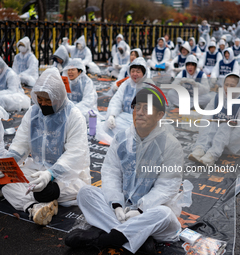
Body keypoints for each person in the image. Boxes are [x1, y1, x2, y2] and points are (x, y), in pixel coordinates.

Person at [65, 88, 193, 254]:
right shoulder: (122, 138)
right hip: (122, 208)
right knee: (85, 193)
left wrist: (140, 210)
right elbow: (111, 172)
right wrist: (117, 204)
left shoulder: (170, 145)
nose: (139, 113)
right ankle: (137, 239)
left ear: (160, 115)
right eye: (137, 107)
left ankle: (104, 239)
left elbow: (167, 186)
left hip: (149, 212)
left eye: (146, 109)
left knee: (164, 214)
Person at [0, 68, 91, 225]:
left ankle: (31, 198)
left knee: (46, 191)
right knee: (2, 180)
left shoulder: (73, 116)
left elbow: (74, 154)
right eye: (40, 99)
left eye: (47, 100)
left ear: (58, 97)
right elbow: (20, 143)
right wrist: (7, 163)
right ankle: (35, 207)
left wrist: (51, 174)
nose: (42, 104)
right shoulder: (33, 113)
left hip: (67, 175)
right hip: (37, 169)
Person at [188, 73, 240, 166]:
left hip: (232, 139)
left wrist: (224, 143)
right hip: (214, 134)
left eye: (232, 86)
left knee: (225, 125)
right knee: (212, 123)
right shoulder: (217, 98)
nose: (228, 88)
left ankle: (212, 155)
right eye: (226, 85)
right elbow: (206, 117)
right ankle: (200, 149)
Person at [104, 57, 149, 139]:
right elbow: (117, 100)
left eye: (138, 72)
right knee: (107, 126)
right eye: (133, 71)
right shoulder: (126, 84)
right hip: (125, 118)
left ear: (144, 73)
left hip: (142, 121)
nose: (135, 74)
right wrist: (112, 115)